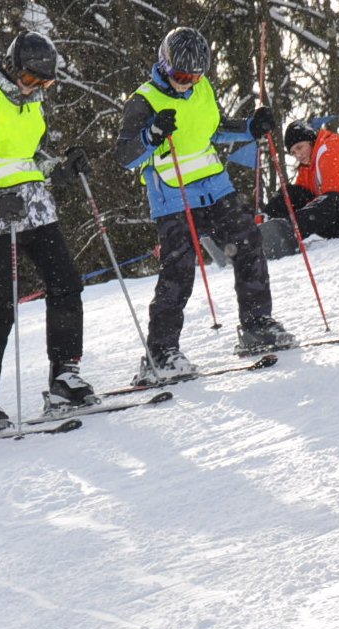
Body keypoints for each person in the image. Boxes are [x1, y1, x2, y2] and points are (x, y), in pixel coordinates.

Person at [115, 26, 294, 386]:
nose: (188, 84)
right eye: (181, 77)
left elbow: (213, 129)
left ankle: (257, 325)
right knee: (179, 270)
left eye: (195, 77)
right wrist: (152, 135)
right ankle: (161, 353)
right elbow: (125, 156)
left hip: (214, 187)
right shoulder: (143, 101)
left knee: (249, 243)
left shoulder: (202, 89)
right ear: (164, 66)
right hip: (173, 195)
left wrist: (250, 127)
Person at [0, 30, 98, 431]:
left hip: (36, 210)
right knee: (1, 304)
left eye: (43, 83)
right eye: (30, 79)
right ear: (13, 68)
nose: (34, 89)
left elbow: (28, 158)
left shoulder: (33, 103)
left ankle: (64, 375)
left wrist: (59, 168)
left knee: (66, 284)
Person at [259, 122, 339, 260]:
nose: (298, 155)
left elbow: (333, 194)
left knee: (332, 199)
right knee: (291, 192)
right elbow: (298, 197)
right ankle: (260, 228)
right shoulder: (307, 167)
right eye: (293, 153)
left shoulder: (331, 150)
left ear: (310, 141)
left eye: (299, 147)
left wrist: (300, 217)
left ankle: (284, 234)